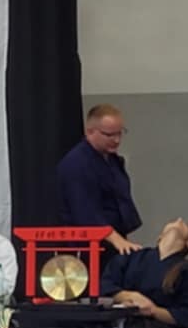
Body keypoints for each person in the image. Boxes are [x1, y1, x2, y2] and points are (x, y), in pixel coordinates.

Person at [56, 103, 141, 254]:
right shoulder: (76, 164)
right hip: (85, 248)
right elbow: (85, 211)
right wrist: (116, 239)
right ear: (89, 132)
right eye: (109, 135)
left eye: (120, 133)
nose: (116, 140)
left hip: (113, 242)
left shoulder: (112, 160)